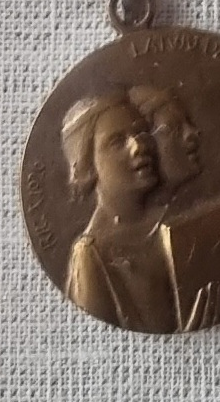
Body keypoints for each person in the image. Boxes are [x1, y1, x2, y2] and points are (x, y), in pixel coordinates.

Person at [60, 84, 197, 333]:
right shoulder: (91, 255)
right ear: (87, 166)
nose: (139, 146)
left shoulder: (175, 219)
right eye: (117, 142)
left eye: (141, 133)